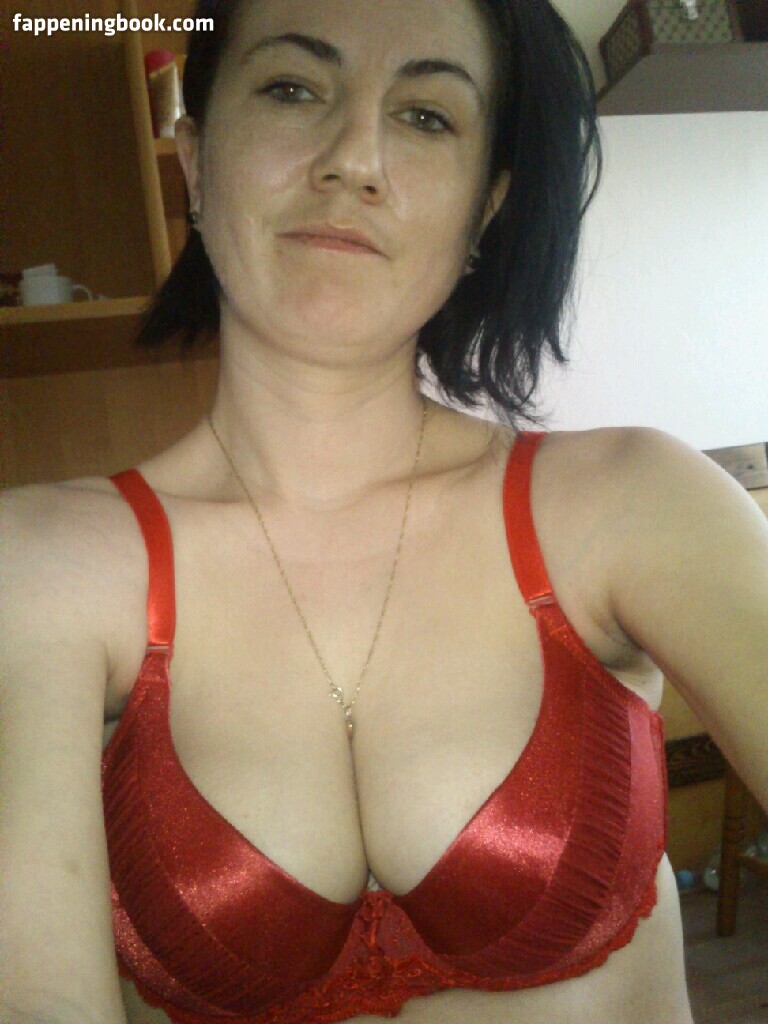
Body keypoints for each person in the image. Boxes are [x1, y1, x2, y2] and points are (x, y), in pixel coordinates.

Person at [2, 0, 767, 1022]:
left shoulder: (637, 500)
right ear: (196, 160)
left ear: (485, 207)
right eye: (292, 88)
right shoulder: (38, 565)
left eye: (425, 116)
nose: (354, 159)